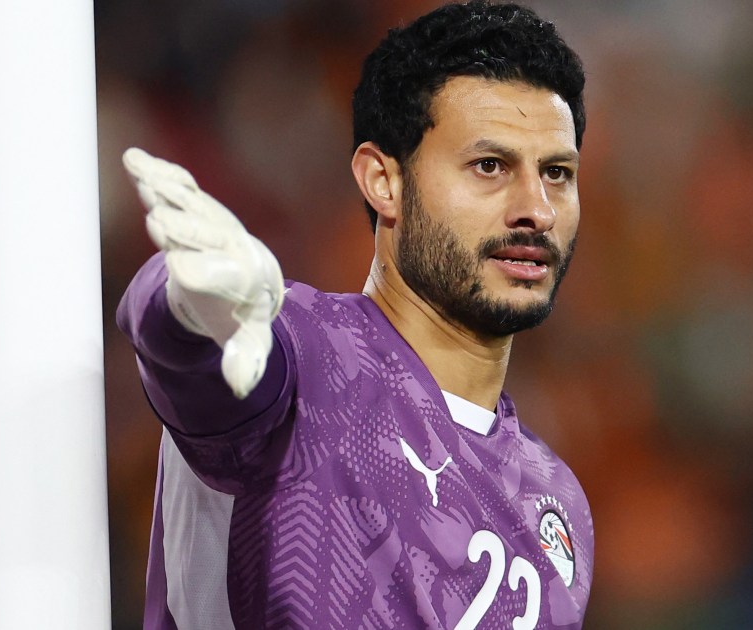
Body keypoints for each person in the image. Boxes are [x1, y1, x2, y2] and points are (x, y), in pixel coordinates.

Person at [117, 1, 592, 627]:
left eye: (556, 173)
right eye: (489, 166)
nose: (538, 209)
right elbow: (188, 349)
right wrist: (189, 298)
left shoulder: (555, 500)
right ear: (383, 181)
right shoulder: (303, 358)